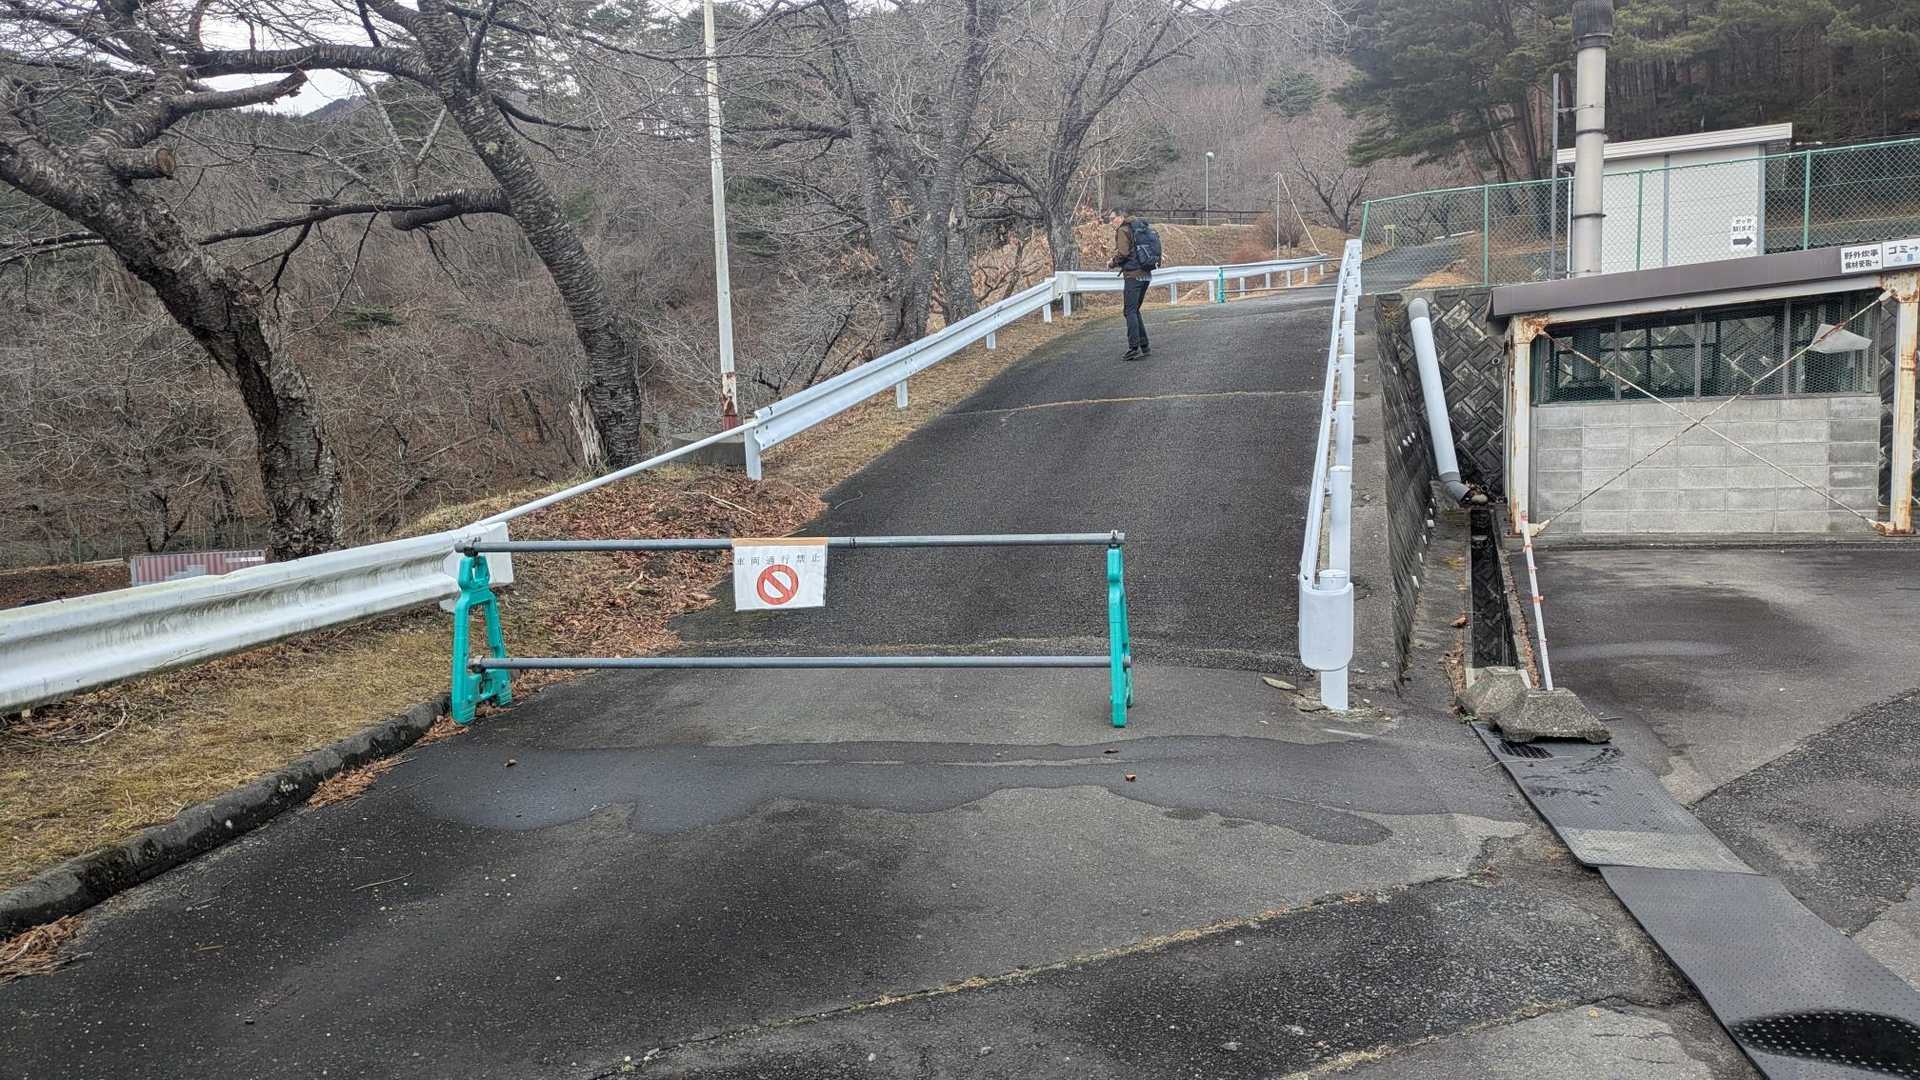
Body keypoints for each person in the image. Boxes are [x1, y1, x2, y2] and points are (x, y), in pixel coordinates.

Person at [1107, 209, 1153, 361]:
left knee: (1129, 311)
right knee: (1134, 310)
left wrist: (1112, 263)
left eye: (1112, 218)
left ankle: (1134, 348)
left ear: (1120, 217)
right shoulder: (1137, 228)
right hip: (1146, 274)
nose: (1110, 222)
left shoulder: (1123, 230)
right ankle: (1144, 345)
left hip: (1133, 275)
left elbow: (1123, 253)